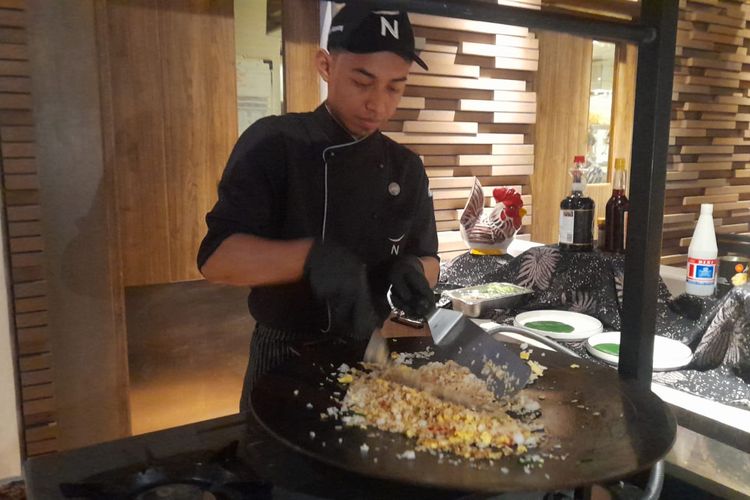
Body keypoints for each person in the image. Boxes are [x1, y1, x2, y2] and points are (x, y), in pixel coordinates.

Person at [198, 5, 439, 410]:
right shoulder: (275, 143)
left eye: (395, 87)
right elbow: (216, 260)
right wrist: (310, 259)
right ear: (325, 65)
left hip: (368, 352)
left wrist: (413, 272)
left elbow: (428, 257)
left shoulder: (406, 167)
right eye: (362, 82)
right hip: (283, 352)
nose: (378, 105)